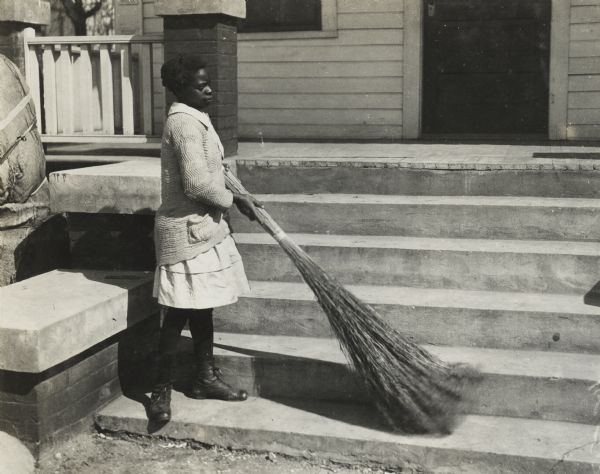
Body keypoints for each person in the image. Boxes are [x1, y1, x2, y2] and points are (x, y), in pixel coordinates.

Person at [149, 54, 262, 423]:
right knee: (179, 313)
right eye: (200, 85)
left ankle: (204, 378)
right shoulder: (182, 123)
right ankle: (160, 391)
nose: (209, 89)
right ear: (181, 90)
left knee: (202, 308)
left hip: (204, 230)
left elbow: (218, 169)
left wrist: (243, 194)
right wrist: (234, 201)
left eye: (208, 82)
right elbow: (197, 183)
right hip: (184, 233)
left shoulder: (199, 118)